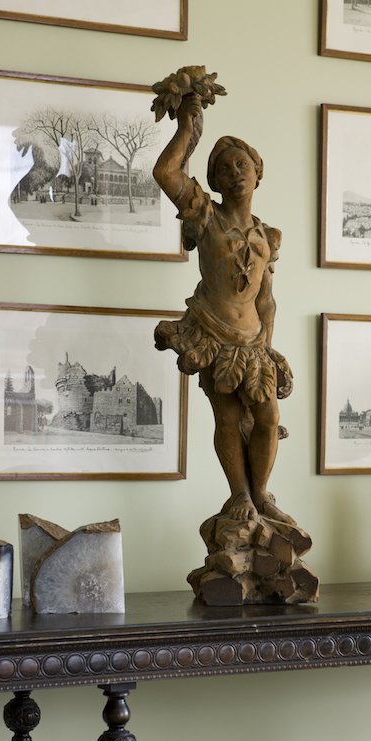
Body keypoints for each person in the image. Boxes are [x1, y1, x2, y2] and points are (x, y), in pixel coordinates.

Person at [153, 92, 294, 525]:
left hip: (254, 341)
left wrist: (267, 346)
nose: (235, 174)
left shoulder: (268, 236)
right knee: (229, 419)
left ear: (257, 173)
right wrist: (187, 130)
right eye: (224, 170)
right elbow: (165, 172)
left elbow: (266, 299)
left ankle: (261, 494)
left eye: (242, 166)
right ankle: (240, 497)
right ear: (213, 181)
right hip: (213, 333)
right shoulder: (206, 217)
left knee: (268, 417)